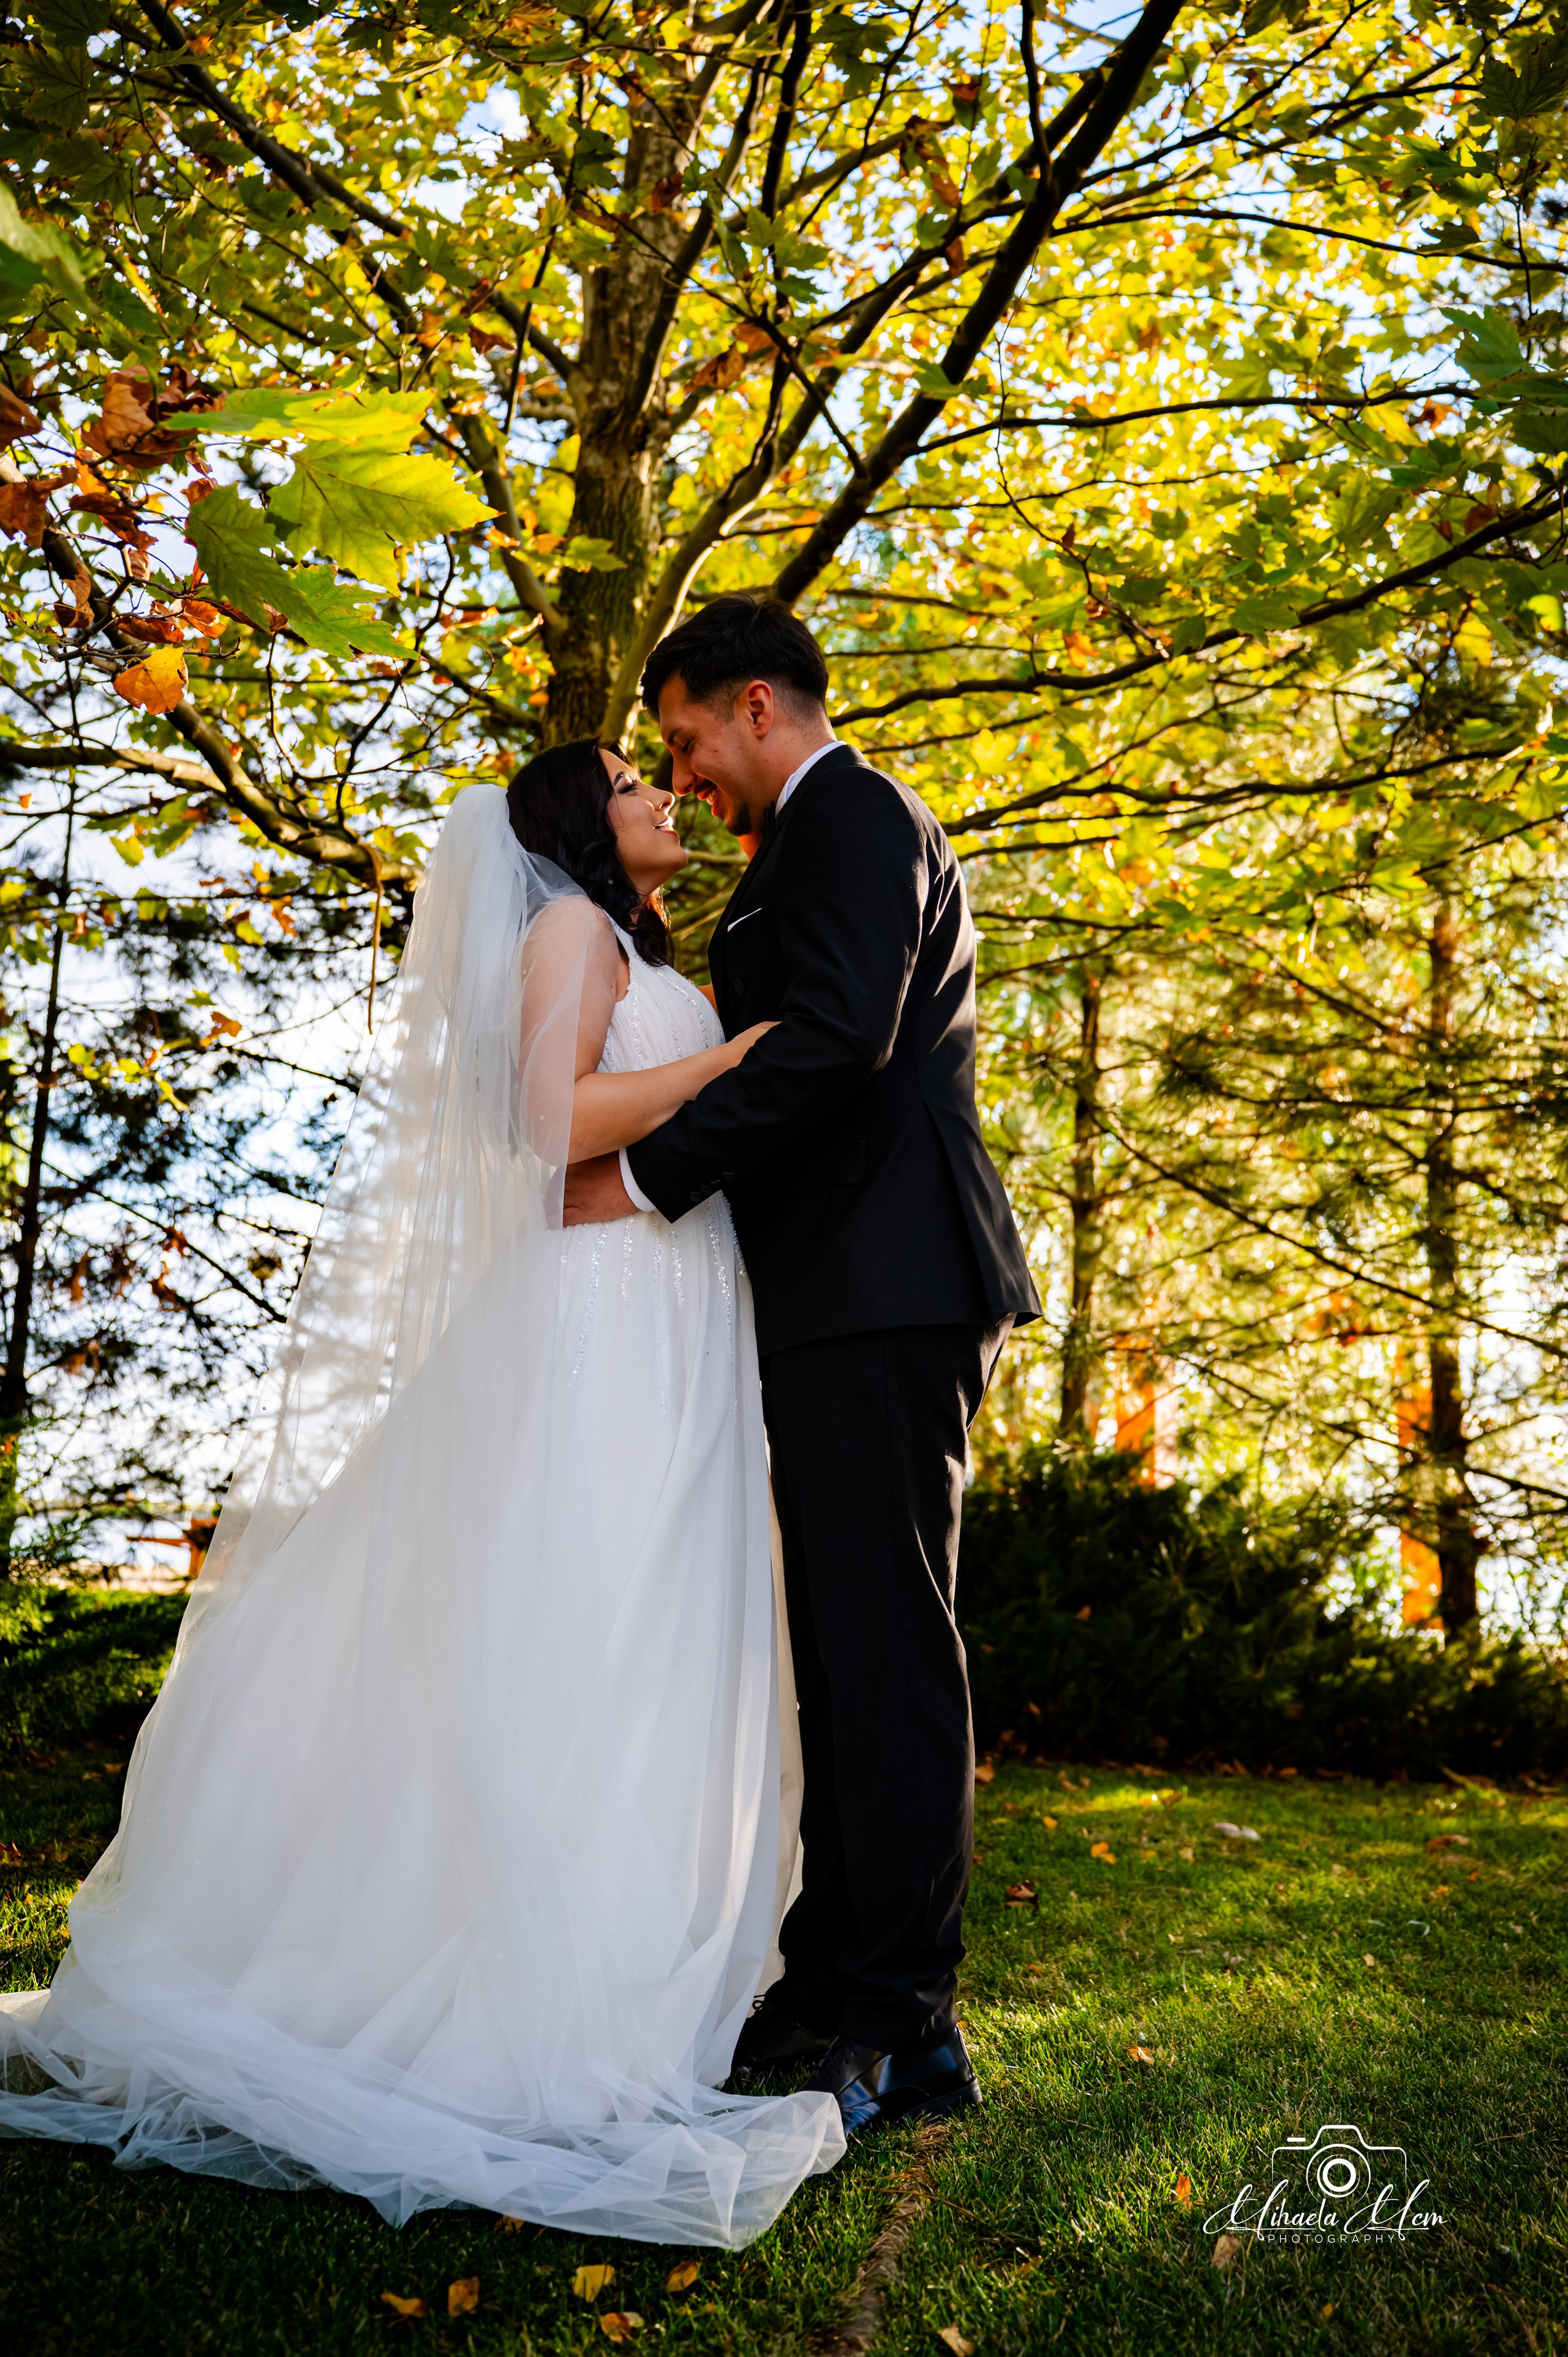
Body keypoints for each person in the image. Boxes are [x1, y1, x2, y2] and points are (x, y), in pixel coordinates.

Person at [0, 744, 844, 2247]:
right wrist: (723, 1062)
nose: (662, 794)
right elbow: (550, 1124)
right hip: (602, 1315)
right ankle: (519, 1982)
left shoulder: (637, 943)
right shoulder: (573, 931)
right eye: (630, 782)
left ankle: (636, 1957)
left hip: (669, 1307)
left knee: (646, 1636)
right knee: (584, 1623)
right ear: (583, 828)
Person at [563, 596, 1041, 2134]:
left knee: (887, 1641)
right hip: (832, 1284)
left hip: (890, 1276)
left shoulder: (852, 816)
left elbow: (835, 1036)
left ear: (755, 703)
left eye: (692, 739)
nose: (687, 775)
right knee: (839, 1645)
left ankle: (906, 2016)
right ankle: (834, 1969)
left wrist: (645, 1180)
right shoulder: (803, 841)